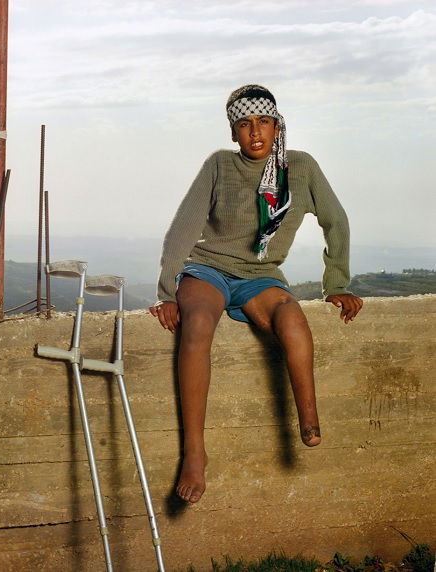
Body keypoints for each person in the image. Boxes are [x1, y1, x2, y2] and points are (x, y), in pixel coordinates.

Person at [149, 84, 363, 504]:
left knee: (292, 319)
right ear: (233, 133)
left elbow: (336, 221)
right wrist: (166, 292)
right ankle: (195, 451)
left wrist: (336, 284)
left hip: (261, 276)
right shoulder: (219, 165)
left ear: (277, 124)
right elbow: (183, 230)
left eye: (263, 121)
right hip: (208, 270)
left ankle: (309, 420)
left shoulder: (301, 168)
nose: (255, 132)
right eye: (243, 124)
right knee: (197, 326)